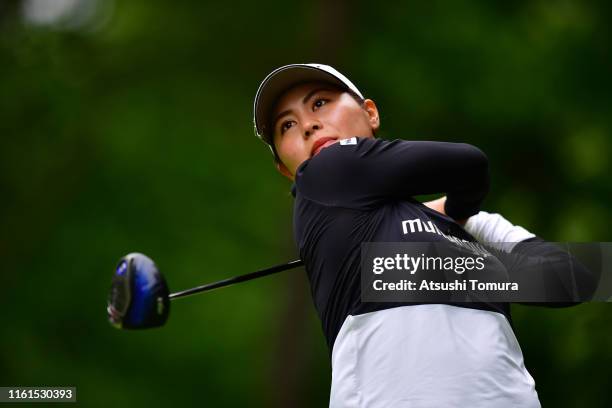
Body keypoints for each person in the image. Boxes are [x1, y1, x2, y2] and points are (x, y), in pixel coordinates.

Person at [252, 64, 591, 407]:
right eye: (288, 125)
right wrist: (459, 232)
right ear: (286, 169)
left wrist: (450, 249)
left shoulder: (473, 226)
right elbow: (470, 165)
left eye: (320, 103)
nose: (308, 125)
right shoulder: (320, 175)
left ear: (370, 113)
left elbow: (574, 279)